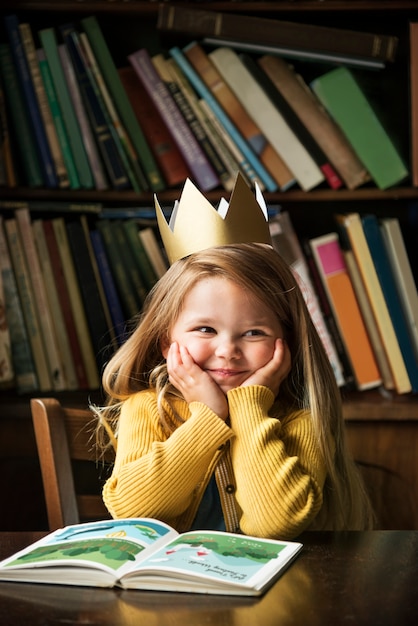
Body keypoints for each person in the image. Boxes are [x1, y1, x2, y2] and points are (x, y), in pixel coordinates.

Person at [94, 240, 374, 540]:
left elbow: (276, 523)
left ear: (287, 344)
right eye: (206, 329)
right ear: (166, 342)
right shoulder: (149, 408)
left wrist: (248, 408)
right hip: (166, 585)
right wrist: (208, 418)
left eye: (254, 333)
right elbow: (135, 512)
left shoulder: (298, 423)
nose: (227, 350)